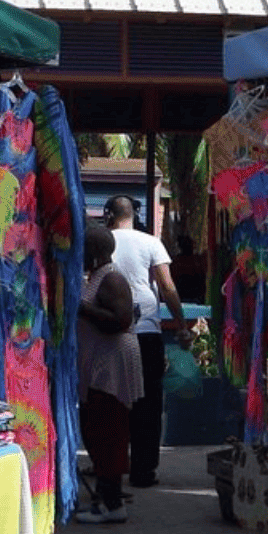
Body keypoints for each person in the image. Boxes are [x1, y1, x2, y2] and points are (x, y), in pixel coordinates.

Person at [104, 195, 185, 488]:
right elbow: (167, 285)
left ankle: (112, 466)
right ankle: (143, 470)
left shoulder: (103, 242)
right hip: (147, 333)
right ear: (135, 214)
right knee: (148, 404)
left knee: (113, 402)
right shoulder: (150, 242)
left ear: (108, 214)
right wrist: (181, 324)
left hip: (111, 331)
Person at [75, 222, 142, 523]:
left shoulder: (112, 278)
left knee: (108, 430)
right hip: (101, 363)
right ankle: (107, 498)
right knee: (99, 429)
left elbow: (120, 319)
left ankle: (112, 504)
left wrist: (80, 308)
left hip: (111, 366)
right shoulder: (98, 276)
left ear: (97, 250)